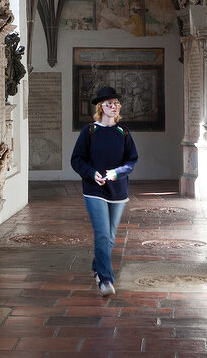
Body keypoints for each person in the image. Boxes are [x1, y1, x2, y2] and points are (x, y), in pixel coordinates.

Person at [70, 85, 139, 297]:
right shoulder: (90, 131)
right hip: (94, 190)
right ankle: (106, 280)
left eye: (116, 103)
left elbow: (132, 161)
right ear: (101, 107)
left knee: (110, 237)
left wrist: (116, 173)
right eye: (109, 104)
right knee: (101, 235)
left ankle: (97, 266)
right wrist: (92, 174)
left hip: (118, 191)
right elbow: (76, 160)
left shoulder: (123, 132)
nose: (114, 107)